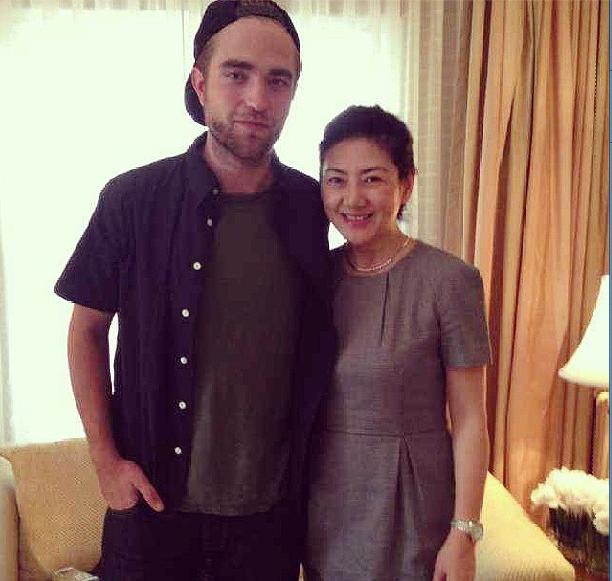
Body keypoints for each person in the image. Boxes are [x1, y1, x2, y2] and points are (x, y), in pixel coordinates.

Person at [54, 2, 335, 579]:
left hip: (270, 522)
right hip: (152, 510)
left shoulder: (313, 207)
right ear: (200, 84)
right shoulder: (133, 200)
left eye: (278, 80)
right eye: (237, 74)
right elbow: (86, 330)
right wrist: (107, 464)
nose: (257, 98)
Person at [303, 105, 491, 581]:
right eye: (336, 180)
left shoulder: (450, 281)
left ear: (405, 185)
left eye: (372, 179)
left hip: (412, 503)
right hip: (325, 504)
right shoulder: (314, 276)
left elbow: (470, 419)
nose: (352, 198)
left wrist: (464, 533)